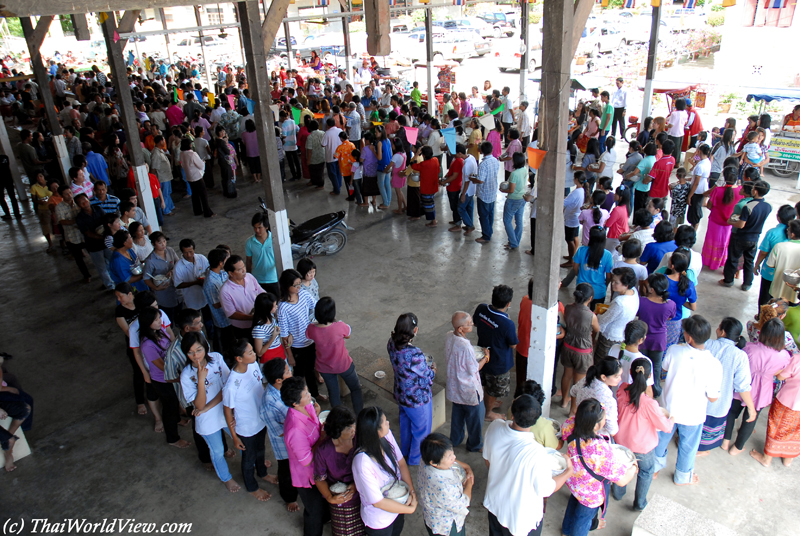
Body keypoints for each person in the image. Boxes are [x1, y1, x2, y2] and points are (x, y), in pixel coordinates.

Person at [484, 394, 573, 536]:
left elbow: (487, 460)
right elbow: (546, 490)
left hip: (495, 504)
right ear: (535, 421)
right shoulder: (537, 453)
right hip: (521, 520)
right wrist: (568, 471)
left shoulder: (494, 427)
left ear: (512, 415)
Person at [654, 315, 723, 485]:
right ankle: (683, 477)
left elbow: (664, 369)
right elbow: (713, 398)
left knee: (660, 440)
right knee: (688, 446)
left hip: (668, 408)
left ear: (688, 337)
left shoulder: (674, 350)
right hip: (693, 414)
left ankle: (653, 469)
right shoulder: (714, 364)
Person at [561, 399, 637, 535]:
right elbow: (622, 481)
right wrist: (633, 467)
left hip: (573, 480)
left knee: (573, 503)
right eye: (604, 418)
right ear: (595, 426)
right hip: (590, 493)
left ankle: (566, 530)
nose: (605, 420)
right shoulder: (599, 449)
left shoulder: (569, 424)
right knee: (583, 519)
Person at [180, 332, 240, 491]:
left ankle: (254, 463)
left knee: (241, 437)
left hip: (225, 410)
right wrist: (200, 379)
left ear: (205, 347)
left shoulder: (217, 359)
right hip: (207, 419)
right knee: (218, 450)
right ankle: (226, 478)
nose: (195, 355)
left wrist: (207, 407)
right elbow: (199, 405)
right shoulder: (187, 375)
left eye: (199, 350)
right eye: (190, 352)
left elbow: (228, 386)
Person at [612, 359, 673, 510]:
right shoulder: (649, 403)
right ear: (650, 376)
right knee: (645, 472)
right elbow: (665, 427)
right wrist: (671, 419)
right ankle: (639, 503)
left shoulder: (622, 389)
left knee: (621, 468)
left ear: (630, 373)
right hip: (643, 447)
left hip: (620, 441)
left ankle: (618, 493)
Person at [724, 318, 790, 456]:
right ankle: (737, 447)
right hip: (762, 391)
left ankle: (725, 440)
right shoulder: (784, 356)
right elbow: (780, 374)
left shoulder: (749, 348)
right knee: (750, 419)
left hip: (742, 386)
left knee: (731, 413)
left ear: (763, 333)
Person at [222, 339, 275, 502]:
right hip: (246, 427)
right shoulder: (231, 385)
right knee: (248, 457)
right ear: (239, 358)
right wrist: (235, 436)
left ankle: (262, 473)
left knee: (261, 448)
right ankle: (252, 487)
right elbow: (227, 410)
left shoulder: (252, 365)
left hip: (260, 419)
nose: (254, 354)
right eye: (250, 352)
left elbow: (260, 386)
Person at [352, 406, 417, 536]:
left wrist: (411, 491)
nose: (388, 423)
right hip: (380, 522)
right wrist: (409, 509)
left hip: (398, 506)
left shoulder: (386, 436)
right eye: (385, 422)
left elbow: (401, 462)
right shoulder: (362, 463)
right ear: (376, 431)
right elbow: (378, 502)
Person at [698, 318, 755, 455]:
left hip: (696, 398)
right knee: (706, 433)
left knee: (691, 426)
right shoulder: (740, 356)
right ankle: (700, 450)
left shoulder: (706, 344)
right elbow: (742, 386)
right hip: (718, 404)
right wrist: (751, 409)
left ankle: (686, 442)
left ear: (722, 332)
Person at [282, 376, 330, 536]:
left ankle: (325, 518)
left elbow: (316, 425)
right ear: (295, 403)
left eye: (307, 391)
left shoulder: (307, 406)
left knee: (323, 501)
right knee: (313, 511)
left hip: (319, 467)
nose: (309, 395)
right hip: (307, 477)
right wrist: (322, 438)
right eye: (306, 394)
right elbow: (307, 460)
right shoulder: (295, 429)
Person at [387, 312, 436, 466]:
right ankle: (415, 460)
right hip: (417, 399)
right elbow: (428, 376)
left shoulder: (391, 343)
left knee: (406, 423)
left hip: (401, 394)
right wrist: (433, 370)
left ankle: (405, 451)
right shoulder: (414, 354)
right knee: (421, 431)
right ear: (415, 331)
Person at [313, 406, 366, 536]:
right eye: (348, 428)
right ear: (337, 431)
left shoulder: (359, 439)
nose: (353, 430)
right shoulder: (324, 450)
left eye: (353, 426)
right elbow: (320, 478)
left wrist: (356, 485)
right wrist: (330, 498)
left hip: (364, 491)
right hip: (341, 497)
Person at [305, 297, 364, 414]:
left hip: (324, 368)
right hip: (344, 365)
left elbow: (308, 336)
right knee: (355, 388)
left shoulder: (311, 329)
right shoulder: (339, 326)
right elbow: (348, 333)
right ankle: (360, 414)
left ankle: (339, 418)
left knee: (333, 393)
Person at [260, 358, 300, 512]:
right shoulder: (268, 403)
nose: (291, 372)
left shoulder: (290, 386)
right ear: (278, 380)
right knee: (286, 471)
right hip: (285, 445)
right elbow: (279, 431)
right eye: (287, 371)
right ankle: (289, 497)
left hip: (301, 437)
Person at [750, 345, 800, 467]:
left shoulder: (797, 359)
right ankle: (788, 459)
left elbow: (781, 376)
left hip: (787, 401)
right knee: (796, 430)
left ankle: (767, 459)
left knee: (776, 427)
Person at [474, 285, 518, 422]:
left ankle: (489, 402)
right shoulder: (507, 324)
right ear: (508, 304)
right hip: (498, 362)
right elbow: (513, 344)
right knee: (493, 388)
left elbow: (475, 323)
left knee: (486, 383)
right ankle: (488, 412)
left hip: (482, 355)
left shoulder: (481, 309)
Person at [445, 311, 488, 452]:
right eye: (469, 324)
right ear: (460, 329)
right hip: (469, 390)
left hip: (454, 387)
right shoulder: (465, 346)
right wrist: (485, 358)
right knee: (475, 419)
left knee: (457, 417)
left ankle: (455, 440)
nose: (472, 325)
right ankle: (475, 445)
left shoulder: (449, 337)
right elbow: (474, 369)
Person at [278, 269, 322, 400]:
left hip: (310, 340)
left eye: (299, 284)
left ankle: (315, 395)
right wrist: (289, 355)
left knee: (311, 369)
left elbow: (317, 307)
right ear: (287, 286)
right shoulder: (283, 307)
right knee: (299, 374)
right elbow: (284, 334)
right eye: (295, 285)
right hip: (297, 346)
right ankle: (300, 399)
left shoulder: (303, 294)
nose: (298, 287)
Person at [417, 433, 474, 536]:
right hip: (447, 526)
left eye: (452, 453)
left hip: (432, 517)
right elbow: (464, 503)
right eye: (449, 456)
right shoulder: (444, 487)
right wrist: (469, 481)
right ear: (433, 462)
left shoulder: (425, 458)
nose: (454, 457)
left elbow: (454, 462)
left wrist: (467, 467)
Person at [722, 180, 772, 292]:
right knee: (749, 261)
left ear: (755, 190)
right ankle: (747, 284)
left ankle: (728, 280)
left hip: (741, 237)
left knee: (733, 259)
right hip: (755, 238)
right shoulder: (768, 206)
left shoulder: (748, 206)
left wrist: (730, 221)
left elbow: (740, 224)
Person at [560, 284, 599, 410]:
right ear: (590, 298)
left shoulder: (568, 308)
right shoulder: (590, 315)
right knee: (579, 382)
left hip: (568, 346)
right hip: (582, 351)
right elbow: (597, 329)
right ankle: (572, 410)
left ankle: (564, 400)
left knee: (567, 374)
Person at [637, 274, 677, 398]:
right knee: (656, 366)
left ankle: (640, 389)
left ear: (652, 289)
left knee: (642, 364)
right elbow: (671, 317)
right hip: (659, 340)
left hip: (642, 337)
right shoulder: (670, 304)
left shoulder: (642, 301)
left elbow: (637, 314)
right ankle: (656, 390)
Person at [114, 283, 147, 416]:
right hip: (135, 346)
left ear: (129, 294)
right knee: (139, 373)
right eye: (117, 297)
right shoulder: (120, 311)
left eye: (120, 296)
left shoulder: (140, 302)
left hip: (149, 341)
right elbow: (128, 332)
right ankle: (140, 402)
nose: (119, 299)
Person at [754, 205, 796, 307]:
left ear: (778, 218)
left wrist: (757, 265)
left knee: (765, 296)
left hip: (770, 273)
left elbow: (764, 252)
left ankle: (762, 316)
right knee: (781, 298)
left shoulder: (772, 232)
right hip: (787, 273)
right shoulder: (795, 233)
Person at [702, 167, 742, 270]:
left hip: (715, 220)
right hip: (730, 223)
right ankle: (721, 261)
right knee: (724, 242)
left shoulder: (717, 190)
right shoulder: (740, 191)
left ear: (724, 177)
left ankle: (709, 261)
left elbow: (709, 206)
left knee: (712, 241)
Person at [595, 268, 639, 363]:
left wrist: (597, 315)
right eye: (613, 280)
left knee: (601, 361)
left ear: (626, 285)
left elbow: (604, 320)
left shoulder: (619, 303)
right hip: (622, 335)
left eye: (616, 282)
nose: (612, 284)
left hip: (610, 336)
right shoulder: (634, 292)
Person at [569, 358, 622, 436]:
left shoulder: (586, 380)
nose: (620, 379)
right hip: (595, 436)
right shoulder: (608, 399)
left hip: (578, 425)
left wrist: (574, 410)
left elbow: (573, 391)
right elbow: (612, 431)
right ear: (604, 377)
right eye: (617, 376)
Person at [220, 254, 265, 341]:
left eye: (243, 267)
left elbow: (260, 291)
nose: (244, 270)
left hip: (258, 323)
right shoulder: (225, 291)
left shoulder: (249, 277)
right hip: (242, 328)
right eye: (240, 269)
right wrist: (251, 317)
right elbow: (231, 314)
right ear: (231, 273)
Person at [74, 193, 115, 291]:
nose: (85, 203)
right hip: (93, 246)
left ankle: (117, 281)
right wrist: (103, 238)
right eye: (81, 202)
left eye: (85, 200)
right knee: (101, 267)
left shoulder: (98, 209)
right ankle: (110, 286)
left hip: (106, 243)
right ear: (78, 205)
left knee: (113, 262)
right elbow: (87, 233)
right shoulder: (80, 218)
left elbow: (106, 221)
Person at [663, 249, 698, 349]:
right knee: (669, 346)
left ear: (672, 266)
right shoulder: (688, 284)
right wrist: (681, 301)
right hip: (675, 321)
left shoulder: (663, 279)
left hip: (660, 316)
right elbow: (693, 307)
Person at [572, 226, 613, 310]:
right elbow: (609, 276)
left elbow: (575, 267)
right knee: (595, 314)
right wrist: (605, 285)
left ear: (590, 237)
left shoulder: (581, 250)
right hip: (599, 291)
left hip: (582, 289)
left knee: (580, 312)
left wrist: (578, 274)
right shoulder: (608, 255)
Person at [143, 232, 181, 320]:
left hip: (177, 290)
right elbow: (146, 278)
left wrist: (172, 270)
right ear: (153, 244)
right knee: (168, 318)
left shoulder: (170, 251)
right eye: (159, 243)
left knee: (179, 316)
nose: (163, 244)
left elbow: (178, 263)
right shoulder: (150, 261)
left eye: (164, 241)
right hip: (163, 294)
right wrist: (156, 288)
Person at [474, 141, 501, 244]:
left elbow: (480, 180)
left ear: (481, 151)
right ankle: (489, 231)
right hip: (492, 191)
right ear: (492, 150)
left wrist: (473, 179)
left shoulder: (483, 164)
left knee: (483, 215)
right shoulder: (495, 161)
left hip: (484, 193)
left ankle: (486, 235)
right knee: (490, 214)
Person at [246, 212, 279, 295]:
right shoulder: (249, 242)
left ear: (266, 227)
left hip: (274, 278)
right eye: (255, 227)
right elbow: (248, 261)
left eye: (259, 227)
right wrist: (249, 278)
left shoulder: (275, 240)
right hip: (257, 280)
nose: (257, 230)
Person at [180, 138, 214, 217]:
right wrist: (203, 162)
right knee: (203, 195)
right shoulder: (192, 154)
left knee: (195, 194)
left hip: (189, 176)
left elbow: (182, 164)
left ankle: (197, 211)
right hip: (197, 176)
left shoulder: (182, 153)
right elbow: (200, 165)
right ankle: (207, 212)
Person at [501, 152, 528, 251]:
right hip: (522, 197)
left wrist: (503, 190)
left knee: (507, 221)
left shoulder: (514, 174)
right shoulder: (524, 169)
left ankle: (513, 242)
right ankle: (516, 241)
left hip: (513, 199)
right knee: (519, 221)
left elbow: (511, 190)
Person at [665, 98, 689, 165]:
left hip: (673, 133)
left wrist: (663, 125)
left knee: (672, 148)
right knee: (678, 148)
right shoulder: (685, 112)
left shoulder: (674, 114)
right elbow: (685, 122)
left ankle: (672, 162)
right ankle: (677, 162)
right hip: (681, 133)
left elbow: (670, 125)